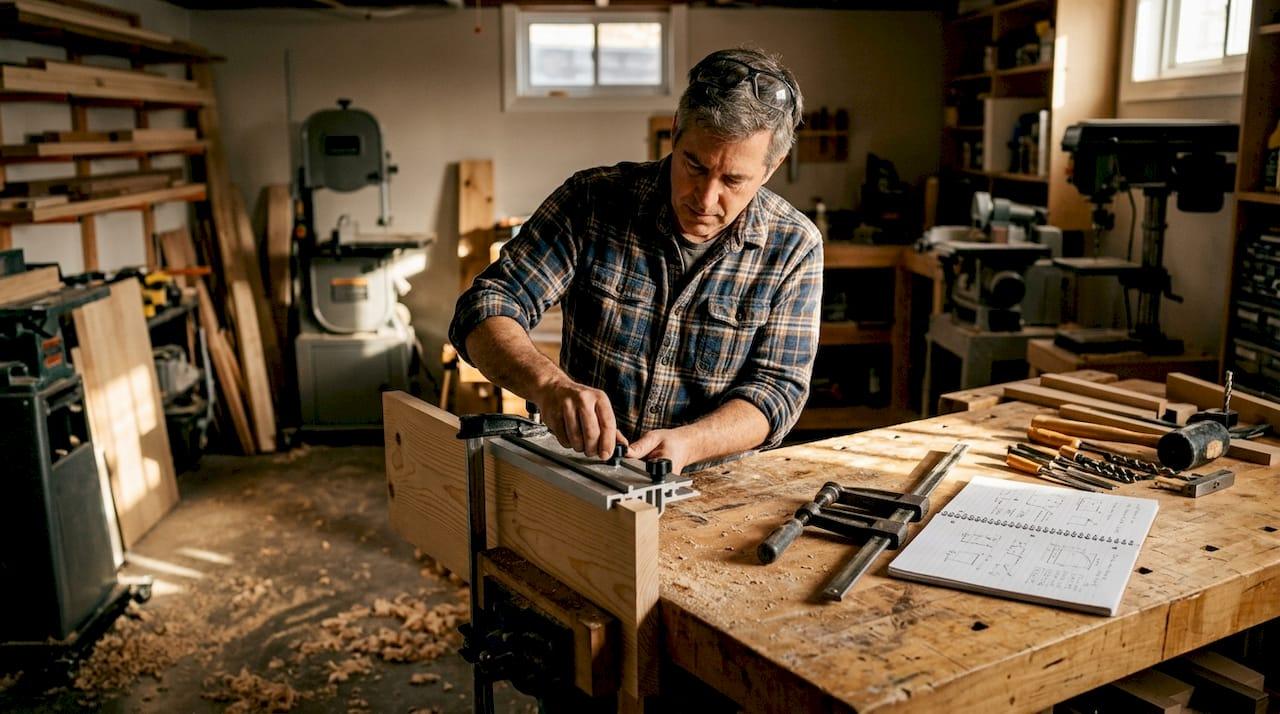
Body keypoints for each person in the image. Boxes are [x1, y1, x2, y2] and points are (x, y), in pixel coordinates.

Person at [448, 47, 823, 475]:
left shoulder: (794, 246)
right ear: (676, 130)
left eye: (733, 180)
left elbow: (778, 391)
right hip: (589, 475)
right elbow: (485, 308)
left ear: (771, 167)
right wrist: (549, 386)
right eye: (694, 166)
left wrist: (691, 442)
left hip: (711, 487)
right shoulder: (592, 201)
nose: (705, 199)